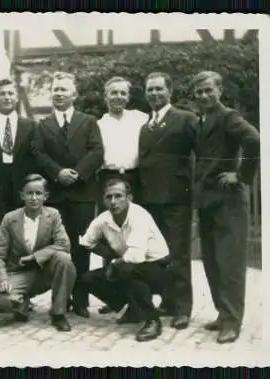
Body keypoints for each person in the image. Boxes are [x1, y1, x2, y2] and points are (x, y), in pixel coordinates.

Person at [191, 71, 260, 344]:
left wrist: (241, 176)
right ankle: (222, 313)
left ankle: (233, 322)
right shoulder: (202, 120)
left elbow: (255, 140)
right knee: (212, 261)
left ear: (220, 90)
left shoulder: (228, 116)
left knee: (230, 263)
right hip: (207, 202)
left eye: (209, 90)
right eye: (199, 92)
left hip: (228, 201)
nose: (204, 95)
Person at [31, 71, 104, 318]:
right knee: (58, 249)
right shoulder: (43, 125)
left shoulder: (89, 121)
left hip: (82, 194)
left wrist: (78, 173)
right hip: (56, 196)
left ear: (74, 94)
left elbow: (96, 152)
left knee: (82, 247)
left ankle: (81, 300)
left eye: (64, 89)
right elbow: (38, 153)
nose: (59, 93)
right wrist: (57, 172)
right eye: (56, 89)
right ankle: (60, 299)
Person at [138, 72, 197, 329]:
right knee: (159, 255)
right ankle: (168, 301)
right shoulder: (145, 125)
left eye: (159, 89)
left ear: (169, 91)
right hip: (151, 200)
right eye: (150, 90)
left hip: (176, 198)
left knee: (179, 253)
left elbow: (202, 152)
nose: (154, 94)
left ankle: (183, 308)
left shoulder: (185, 119)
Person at [78, 178, 170, 342]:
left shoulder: (139, 216)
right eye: (109, 197)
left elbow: (136, 256)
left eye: (119, 196)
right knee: (89, 279)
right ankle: (133, 309)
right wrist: (108, 254)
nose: (113, 202)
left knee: (126, 270)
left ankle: (152, 320)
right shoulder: (103, 219)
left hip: (159, 269)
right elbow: (86, 242)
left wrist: (114, 263)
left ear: (130, 198)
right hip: (128, 266)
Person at [0, 174, 76, 331]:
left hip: (45, 271)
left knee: (64, 260)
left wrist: (35, 257)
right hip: (18, 272)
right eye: (29, 193)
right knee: (3, 303)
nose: (34, 198)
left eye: (38, 193)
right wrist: (2, 279)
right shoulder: (10, 219)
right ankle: (22, 302)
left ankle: (58, 313)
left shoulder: (53, 215)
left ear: (46, 196)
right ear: (22, 195)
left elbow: (64, 244)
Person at [96, 76, 148, 315]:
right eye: (113, 93)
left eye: (122, 93)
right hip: (107, 177)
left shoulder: (140, 119)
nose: (118, 97)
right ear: (105, 96)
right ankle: (112, 295)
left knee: (133, 233)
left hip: (134, 178)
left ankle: (136, 297)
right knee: (110, 237)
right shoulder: (98, 123)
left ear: (129, 97)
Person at [0, 78, 37, 232]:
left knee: (24, 230)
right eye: (2, 94)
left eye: (10, 93)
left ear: (17, 97)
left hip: (22, 184)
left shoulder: (30, 125)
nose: (6, 97)